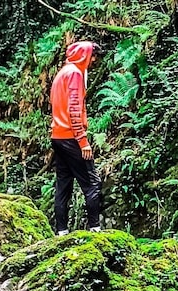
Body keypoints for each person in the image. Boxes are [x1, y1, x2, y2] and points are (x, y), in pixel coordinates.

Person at [49, 40, 102, 235]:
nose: (94, 61)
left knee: (63, 185)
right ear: (86, 55)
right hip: (71, 138)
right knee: (92, 183)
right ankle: (95, 229)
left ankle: (61, 231)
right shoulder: (75, 74)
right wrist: (83, 141)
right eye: (93, 57)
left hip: (58, 136)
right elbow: (74, 109)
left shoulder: (62, 73)